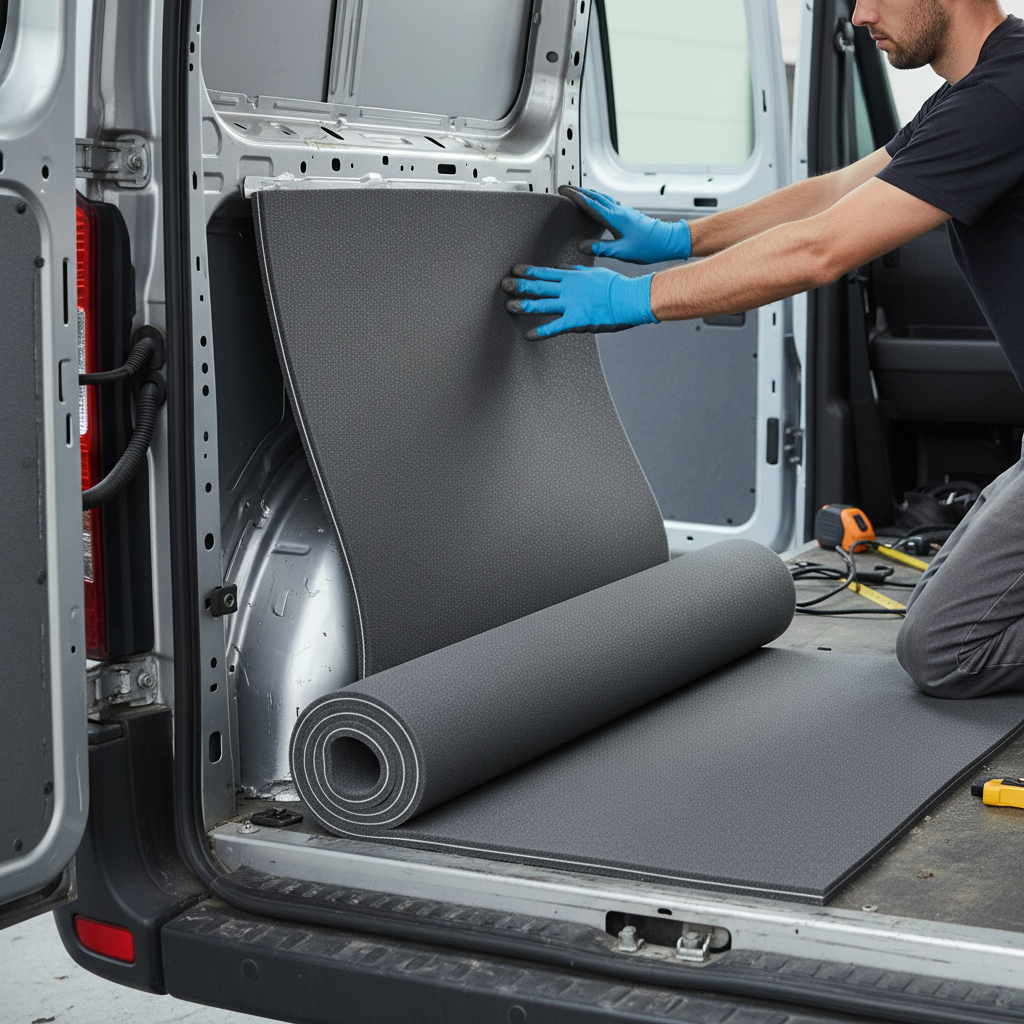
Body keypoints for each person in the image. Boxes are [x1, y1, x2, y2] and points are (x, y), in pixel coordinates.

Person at [503, 0, 1024, 699]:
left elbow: (820, 250)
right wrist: (683, 238)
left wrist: (636, 300)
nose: (859, 14)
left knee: (943, 650)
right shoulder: (978, 87)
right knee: (941, 591)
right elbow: (837, 193)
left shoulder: (1006, 96)